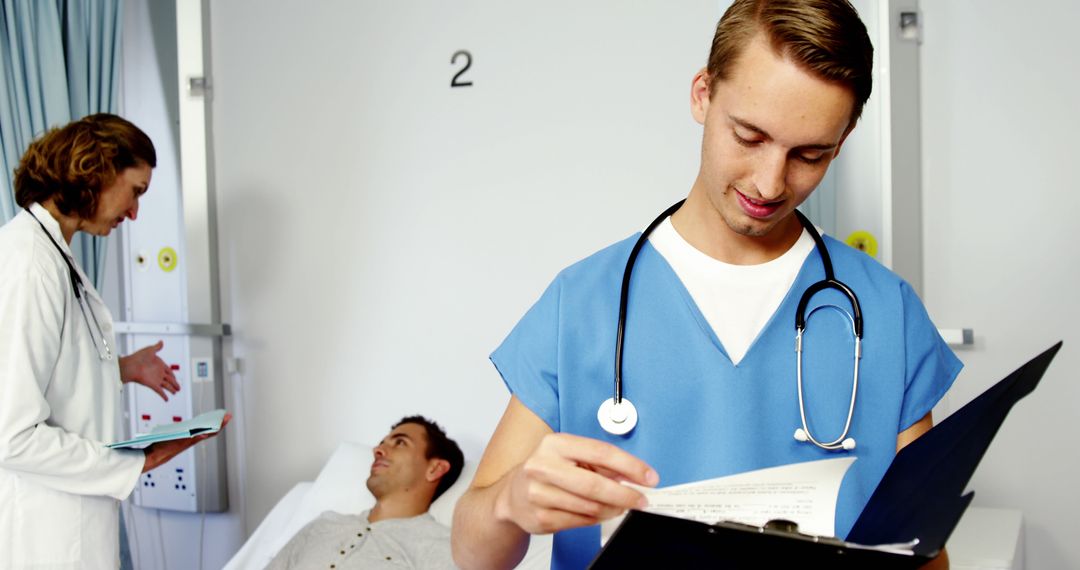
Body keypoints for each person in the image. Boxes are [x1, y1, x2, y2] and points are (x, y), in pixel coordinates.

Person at [451, 1, 961, 569]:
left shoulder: (886, 311)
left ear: (841, 142)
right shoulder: (583, 302)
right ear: (702, 94)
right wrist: (508, 504)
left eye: (809, 155)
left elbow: (922, 549)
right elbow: (474, 554)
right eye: (749, 135)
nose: (770, 183)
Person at [0, 113, 230, 569]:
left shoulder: (55, 257)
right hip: (44, 538)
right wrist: (137, 461)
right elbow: (11, 435)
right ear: (97, 170)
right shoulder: (28, 265)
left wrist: (121, 367)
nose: (134, 212)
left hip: (73, 526)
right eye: (136, 191)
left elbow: (52, 371)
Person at [268, 415, 465, 570]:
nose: (378, 450)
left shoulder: (442, 548)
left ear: (435, 469)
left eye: (400, 443)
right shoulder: (324, 524)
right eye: (382, 443)